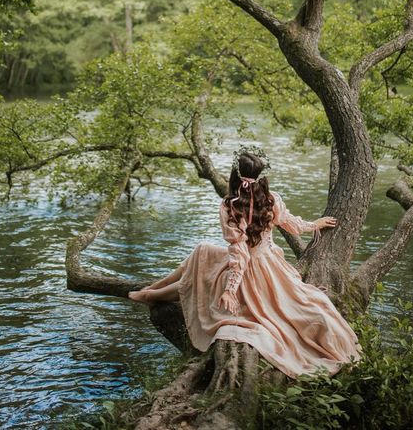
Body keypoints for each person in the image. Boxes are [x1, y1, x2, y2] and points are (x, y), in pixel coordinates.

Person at [129, 146, 362, 378]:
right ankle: (154, 288)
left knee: (203, 277)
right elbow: (291, 225)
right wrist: (313, 224)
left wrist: (230, 289)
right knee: (203, 251)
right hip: (266, 264)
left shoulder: (230, 206)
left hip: (252, 273)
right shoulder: (272, 200)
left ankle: (152, 295)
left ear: (234, 176)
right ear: (262, 178)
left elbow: (240, 255)